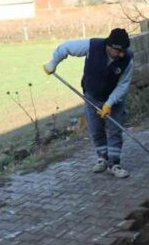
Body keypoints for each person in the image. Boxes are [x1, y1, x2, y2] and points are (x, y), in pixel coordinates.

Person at [43, 28, 133, 178]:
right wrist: (53, 62)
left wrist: (109, 103)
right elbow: (66, 47)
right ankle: (102, 159)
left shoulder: (127, 60)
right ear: (110, 47)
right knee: (95, 129)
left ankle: (114, 164)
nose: (122, 54)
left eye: (124, 50)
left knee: (114, 130)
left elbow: (123, 85)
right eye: (119, 51)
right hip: (92, 96)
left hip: (114, 99)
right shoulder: (92, 46)